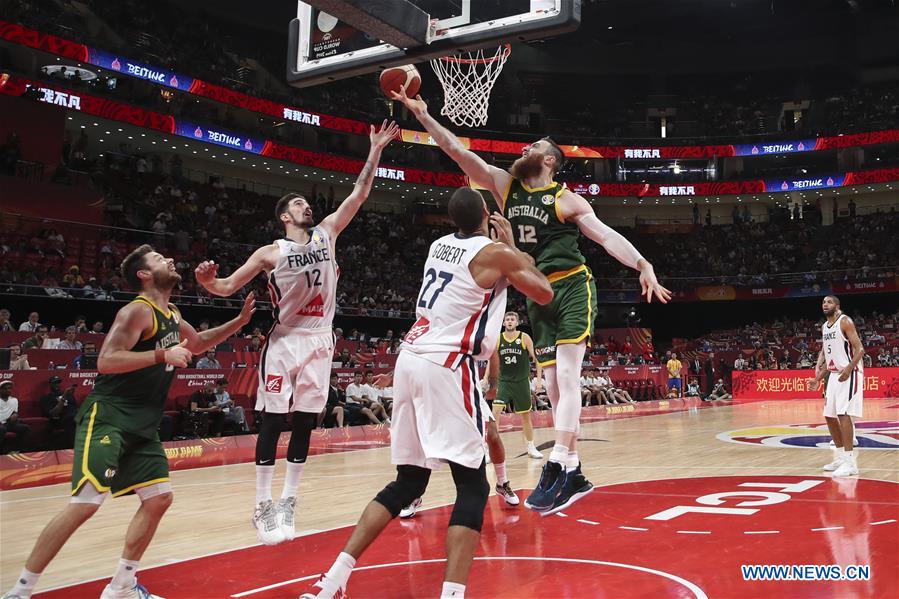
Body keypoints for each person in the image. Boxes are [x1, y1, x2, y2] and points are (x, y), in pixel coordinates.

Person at [392, 87, 670, 515]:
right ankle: (573, 468)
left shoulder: (565, 198)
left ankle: (559, 458)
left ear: (550, 160)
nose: (525, 147)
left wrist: (642, 263)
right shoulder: (507, 188)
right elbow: (458, 154)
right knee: (555, 384)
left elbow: (605, 236)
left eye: (534, 146)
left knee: (569, 375)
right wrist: (424, 116)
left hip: (572, 285)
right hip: (537, 293)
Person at [301, 187, 552, 599]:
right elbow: (543, 291)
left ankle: (332, 582)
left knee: (408, 482)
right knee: (472, 487)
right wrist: (509, 244)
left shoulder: (438, 245)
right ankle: (451, 595)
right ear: (487, 215)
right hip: (447, 365)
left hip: (411, 358)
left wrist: (505, 252)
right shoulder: (493, 252)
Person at [2, 244, 255, 599]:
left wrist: (239, 323)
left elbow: (197, 345)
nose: (168, 259)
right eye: (158, 259)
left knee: (158, 498)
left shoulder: (171, 314)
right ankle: (20, 591)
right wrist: (161, 354)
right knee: (87, 502)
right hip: (110, 416)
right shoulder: (138, 311)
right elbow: (105, 361)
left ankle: (121, 585)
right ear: (144, 274)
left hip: (143, 424)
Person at [194, 120, 398, 545]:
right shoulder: (270, 251)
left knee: (306, 420)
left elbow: (359, 193)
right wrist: (208, 282)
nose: (308, 207)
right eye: (301, 205)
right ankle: (262, 503)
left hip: (321, 340)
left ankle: (289, 500)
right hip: (285, 340)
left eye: (309, 203)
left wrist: (375, 149)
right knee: (273, 420)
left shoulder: (328, 232)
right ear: (286, 216)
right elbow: (227, 287)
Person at [811, 295, 865, 477]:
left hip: (849, 373)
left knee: (844, 414)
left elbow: (860, 349)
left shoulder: (845, 321)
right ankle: (841, 457)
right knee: (829, 416)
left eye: (829, 302)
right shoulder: (825, 327)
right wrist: (818, 378)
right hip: (834, 374)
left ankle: (850, 463)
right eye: (824, 302)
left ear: (837, 306)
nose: (826, 304)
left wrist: (849, 369)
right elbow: (830, 358)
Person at [486, 312, 543, 460]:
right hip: (503, 381)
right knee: (495, 413)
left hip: (521, 382)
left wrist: (538, 380)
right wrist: (486, 378)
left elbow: (537, 359)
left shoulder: (524, 337)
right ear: (504, 323)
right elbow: (491, 360)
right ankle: (489, 450)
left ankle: (531, 447)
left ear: (517, 322)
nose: (510, 321)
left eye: (512, 319)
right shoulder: (498, 338)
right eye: (507, 319)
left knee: (525, 416)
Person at [40, 376, 78, 448]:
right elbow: (53, 413)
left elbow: (75, 408)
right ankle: (73, 448)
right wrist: (64, 397)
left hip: (73, 417)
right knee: (72, 419)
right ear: (50, 385)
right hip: (59, 419)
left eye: (58, 382)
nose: (57, 384)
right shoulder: (46, 398)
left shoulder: (69, 395)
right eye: (54, 383)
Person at [0, 380, 29, 453]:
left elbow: (15, 412)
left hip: (9, 423)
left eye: (9, 388)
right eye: (5, 388)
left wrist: (15, 415)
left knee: (25, 428)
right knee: (1, 429)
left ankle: (19, 451)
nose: (8, 390)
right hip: (0, 424)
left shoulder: (14, 400)